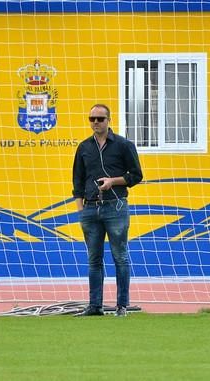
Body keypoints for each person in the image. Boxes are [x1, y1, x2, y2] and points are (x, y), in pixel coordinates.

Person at [72, 104, 143, 317]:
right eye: (91, 118)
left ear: (108, 120)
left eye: (100, 119)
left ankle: (122, 305)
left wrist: (113, 181)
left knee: (120, 256)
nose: (95, 122)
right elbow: (77, 180)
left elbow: (136, 175)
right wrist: (80, 210)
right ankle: (95, 306)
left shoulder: (123, 145)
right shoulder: (84, 147)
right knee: (93, 259)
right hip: (90, 209)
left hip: (116, 206)